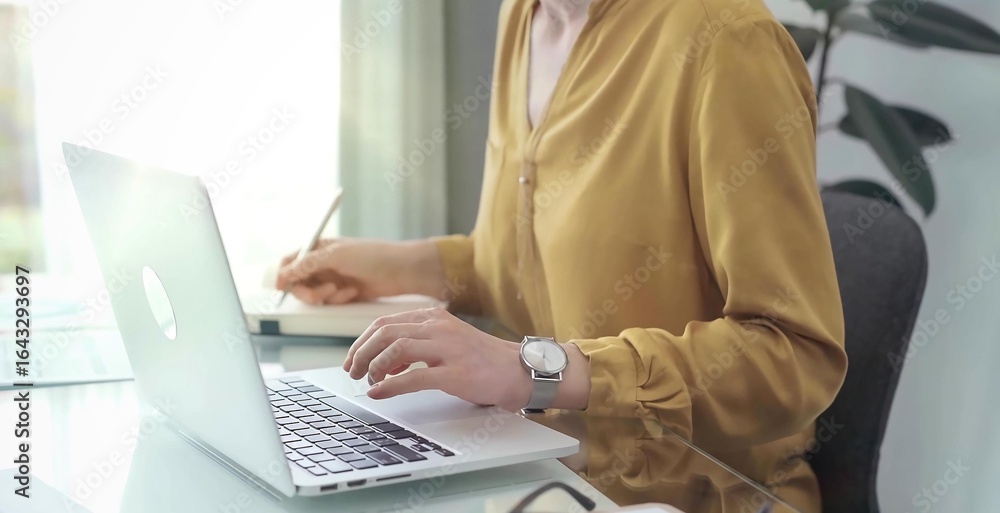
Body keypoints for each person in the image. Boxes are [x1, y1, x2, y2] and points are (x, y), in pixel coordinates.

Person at [277, 0, 847, 508]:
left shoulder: (728, 39)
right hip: (550, 467)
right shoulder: (524, 15)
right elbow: (527, 268)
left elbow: (796, 355)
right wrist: (391, 265)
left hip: (700, 491)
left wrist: (533, 371)